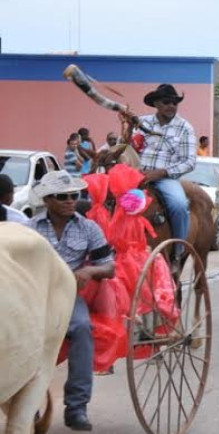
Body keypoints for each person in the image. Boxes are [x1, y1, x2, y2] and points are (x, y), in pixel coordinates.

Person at [27, 171, 115, 431]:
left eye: (73, 195)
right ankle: (27, 406)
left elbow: (109, 266)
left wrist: (89, 271)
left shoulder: (88, 228)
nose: (69, 201)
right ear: (48, 200)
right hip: (33, 295)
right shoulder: (29, 229)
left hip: (68, 296)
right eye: (62, 196)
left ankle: (76, 407)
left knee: (82, 329)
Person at [127, 84, 195, 264]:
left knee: (179, 204)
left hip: (165, 177)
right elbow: (128, 148)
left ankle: (177, 252)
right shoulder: (142, 123)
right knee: (109, 201)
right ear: (156, 104)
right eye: (167, 102)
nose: (171, 106)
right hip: (137, 175)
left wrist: (162, 172)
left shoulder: (184, 127)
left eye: (175, 102)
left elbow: (189, 161)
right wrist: (126, 128)